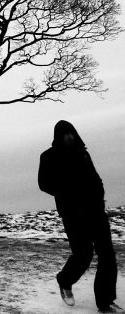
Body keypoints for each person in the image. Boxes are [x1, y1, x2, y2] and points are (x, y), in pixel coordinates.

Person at [39, 120, 120, 312]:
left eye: (71, 133)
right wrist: (68, 192)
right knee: (83, 254)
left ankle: (105, 301)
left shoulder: (82, 153)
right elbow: (44, 184)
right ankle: (64, 280)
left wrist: (99, 195)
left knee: (107, 254)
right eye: (65, 134)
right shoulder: (49, 156)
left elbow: (95, 177)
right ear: (58, 136)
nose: (70, 137)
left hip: (95, 210)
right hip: (73, 213)